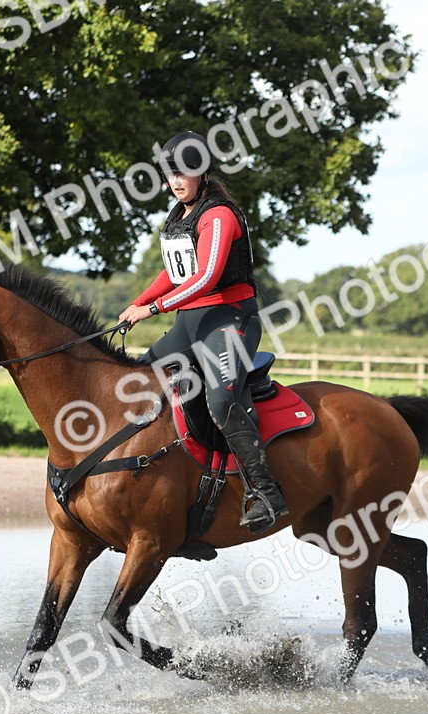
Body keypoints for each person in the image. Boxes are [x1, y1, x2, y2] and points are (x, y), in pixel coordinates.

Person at [118, 131, 288, 534]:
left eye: (182, 173)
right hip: (188, 325)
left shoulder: (219, 215)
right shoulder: (180, 216)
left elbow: (207, 277)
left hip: (229, 322)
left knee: (220, 399)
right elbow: (173, 272)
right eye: (168, 174)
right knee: (138, 384)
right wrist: (137, 302)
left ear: (201, 173)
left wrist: (153, 309)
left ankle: (266, 493)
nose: (174, 181)